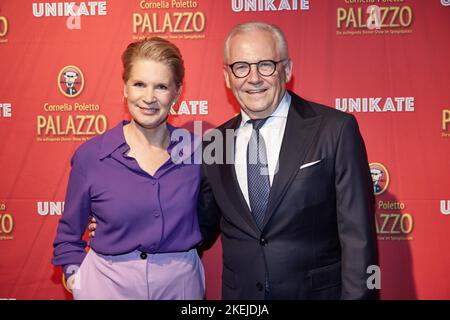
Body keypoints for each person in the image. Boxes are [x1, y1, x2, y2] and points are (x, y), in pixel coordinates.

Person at [197, 21, 379, 299]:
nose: (254, 78)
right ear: (227, 76)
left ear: (287, 69)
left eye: (266, 65)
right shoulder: (214, 141)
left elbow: (359, 237)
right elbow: (200, 225)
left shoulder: (335, 129)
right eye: (241, 67)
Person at [52, 37, 205, 300]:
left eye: (161, 87)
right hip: (107, 285)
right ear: (125, 88)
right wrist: (75, 277)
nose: (149, 98)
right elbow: (69, 234)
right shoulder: (92, 156)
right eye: (139, 84)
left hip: (180, 284)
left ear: (177, 93)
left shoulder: (198, 152)